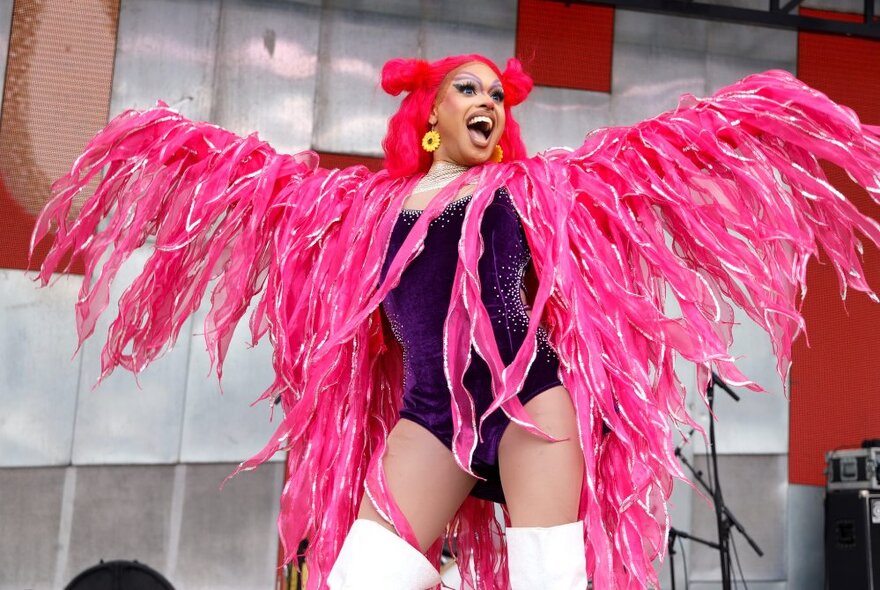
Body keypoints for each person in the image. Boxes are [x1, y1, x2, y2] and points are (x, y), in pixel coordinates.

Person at [33, 53, 880, 590]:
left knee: (554, 581)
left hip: (529, 409)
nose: (488, 105)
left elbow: (647, 159)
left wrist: (746, 123)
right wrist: (175, 151)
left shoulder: (529, 189)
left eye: (497, 97)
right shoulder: (366, 207)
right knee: (362, 580)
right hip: (432, 419)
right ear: (428, 116)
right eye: (466, 91)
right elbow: (267, 192)